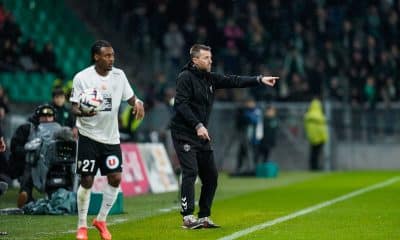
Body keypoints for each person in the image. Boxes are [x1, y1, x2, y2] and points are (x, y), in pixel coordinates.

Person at [170, 44, 278, 229]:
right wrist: (197, 125)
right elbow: (181, 105)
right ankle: (188, 217)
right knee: (191, 172)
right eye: (206, 58)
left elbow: (234, 80)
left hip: (201, 134)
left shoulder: (210, 78)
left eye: (210, 58)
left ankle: (204, 217)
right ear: (195, 60)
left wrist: (259, 79)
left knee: (211, 176)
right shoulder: (185, 77)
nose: (210, 61)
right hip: (184, 133)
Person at [70, 40, 144, 240]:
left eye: (112, 55)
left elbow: (131, 98)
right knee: (87, 180)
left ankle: (101, 220)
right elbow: (74, 107)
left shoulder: (119, 76)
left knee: (116, 178)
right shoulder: (82, 78)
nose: (111, 59)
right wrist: (84, 113)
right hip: (88, 136)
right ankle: (82, 226)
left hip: (111, 138)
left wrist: (138, 103)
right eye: (107, 55)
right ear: (96, 57)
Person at [9, 104, 59, 207]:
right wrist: (30, 152)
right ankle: (25, 194)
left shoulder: (58, 130)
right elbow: (14, 147)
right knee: (30, 166)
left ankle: (58, 196)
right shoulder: (26, 128)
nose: (47, 119)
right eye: (43, 116)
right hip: (30, 162)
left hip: (52, 162)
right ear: (38, 117)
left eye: (50, 116)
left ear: (54, 117)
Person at [304, 97, 328, 170]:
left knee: (313, 153)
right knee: (318, 154)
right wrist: (324, 137)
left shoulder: (308, 115)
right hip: (320, 138)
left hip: (312, 137)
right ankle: (316, 167)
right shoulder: (321, 115)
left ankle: (313, 167)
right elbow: (323, 128)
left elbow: (307, 127)